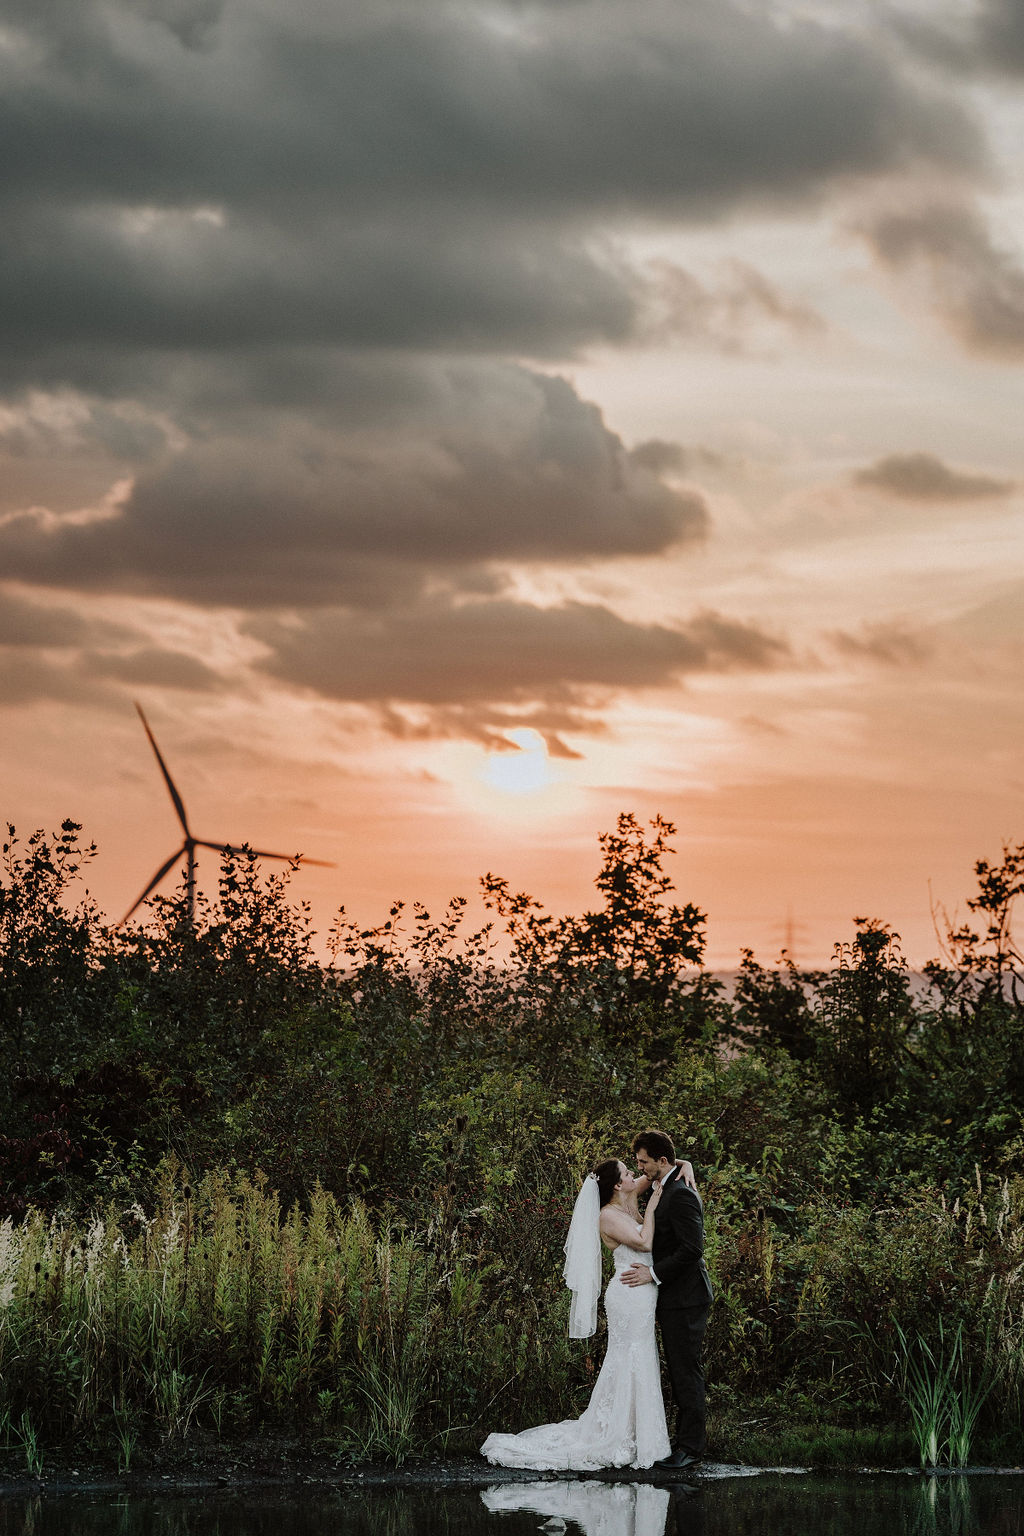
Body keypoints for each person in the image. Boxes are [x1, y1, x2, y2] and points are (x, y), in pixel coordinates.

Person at [480, 1154, 696, 1471]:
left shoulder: (626, 1194)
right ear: (617, 1184)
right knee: (628, 1357)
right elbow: (644, 1242)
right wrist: (651, 1207)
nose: (634, 1174)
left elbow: (658, 1169)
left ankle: (641, 1435)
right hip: (628, 1294)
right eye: (627, 1172)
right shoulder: (607, 1216)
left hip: (643, 1293)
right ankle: (618, 1434)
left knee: (640, 1356)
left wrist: (684, 1164)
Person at [622, 1129, 713, 1471]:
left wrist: (652, 1273)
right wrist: (684, 1162)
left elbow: (692, 1250)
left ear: (662, 1160)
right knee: (678, 1370)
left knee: (686, 1372)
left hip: (688, 1298)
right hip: (674, 1297)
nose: (640, 1168)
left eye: (644, 1162)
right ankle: (683, 1441)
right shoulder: (666, 1181)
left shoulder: (681, 1194)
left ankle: (691, 1449)